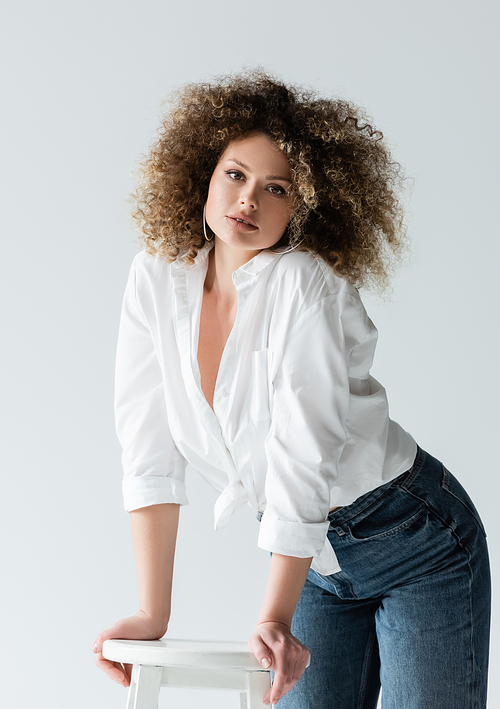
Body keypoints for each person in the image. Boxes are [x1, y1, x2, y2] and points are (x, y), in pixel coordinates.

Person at [92, 72, 491, 708]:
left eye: (276, 188)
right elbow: (148, 453)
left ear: (301, 208)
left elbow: (306, 451)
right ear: (203, 171)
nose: (248, 199)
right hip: (314, 560)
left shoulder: (306, 285)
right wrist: (152, 612)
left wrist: (272, 616)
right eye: (235, 174)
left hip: (415, 539)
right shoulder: (155, 278)